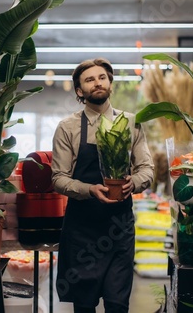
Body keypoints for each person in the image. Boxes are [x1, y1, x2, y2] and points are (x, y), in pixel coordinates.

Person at [51, 57, 154, 312]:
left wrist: (135, 183)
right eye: (89, 80)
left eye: (102, 77)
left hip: (118, 230)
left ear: (110, 83)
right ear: (79, 90)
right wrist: (89, 190)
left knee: (118, 305)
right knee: (84, 306)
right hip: (82, 231)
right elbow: (58, 178)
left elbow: (146, 169)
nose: (97, 83)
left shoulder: (132, 123)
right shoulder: (67, 127)